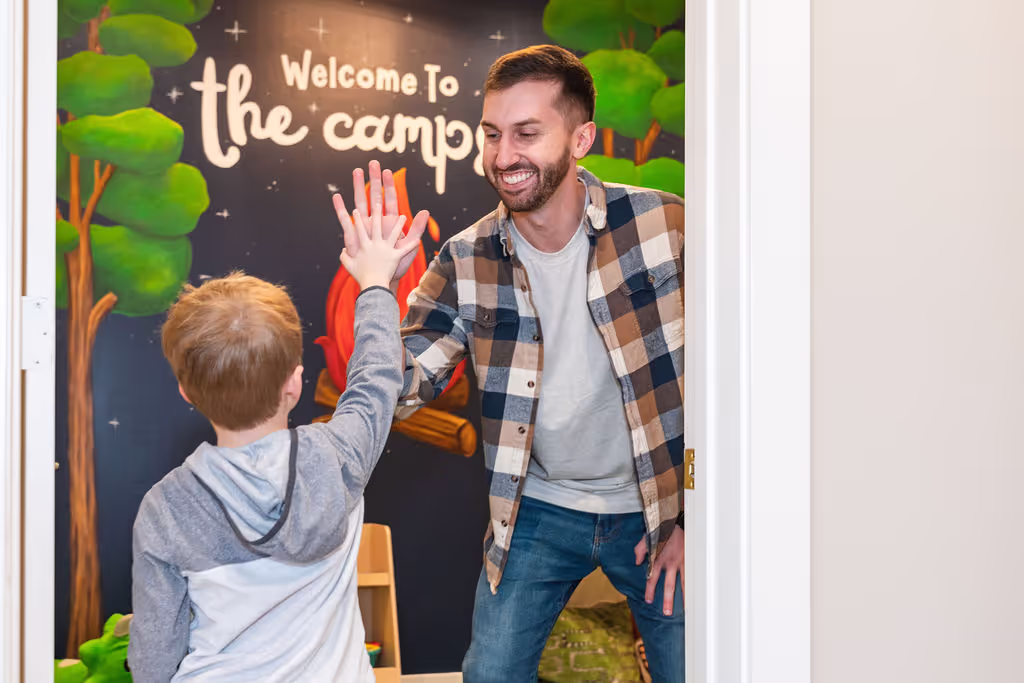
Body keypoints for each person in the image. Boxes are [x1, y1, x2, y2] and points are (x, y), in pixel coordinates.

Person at [333, 44, 685, 681]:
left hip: (657, 510)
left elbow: (734, 383)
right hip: (537, 511)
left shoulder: (665, 226)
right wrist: (377, 285)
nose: (502, 157)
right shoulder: (467, 258)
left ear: (581, 138)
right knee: (490, 673)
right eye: (492, 134)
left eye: (527, 133)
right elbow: (400, 387)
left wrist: (697, 511)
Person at [127, 206, 425, 681]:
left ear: (185, 392)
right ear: (296, 382)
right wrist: (376, 283)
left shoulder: (165, 508)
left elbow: (153, 660)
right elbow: (376, 378)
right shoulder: (338, 457)